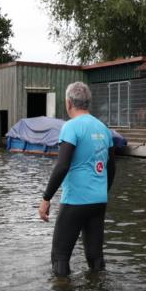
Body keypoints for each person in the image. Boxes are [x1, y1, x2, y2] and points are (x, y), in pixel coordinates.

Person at [38, 82, 116, 275]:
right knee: (95, 257)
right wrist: (101, 192)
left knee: (60, 257)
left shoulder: (70, 127)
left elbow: (62, 166)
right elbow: (112, 167)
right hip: (98, 201)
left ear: (68, 103)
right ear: (87, 102)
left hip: (75, 201)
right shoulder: (104, 129)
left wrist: (46, 198)